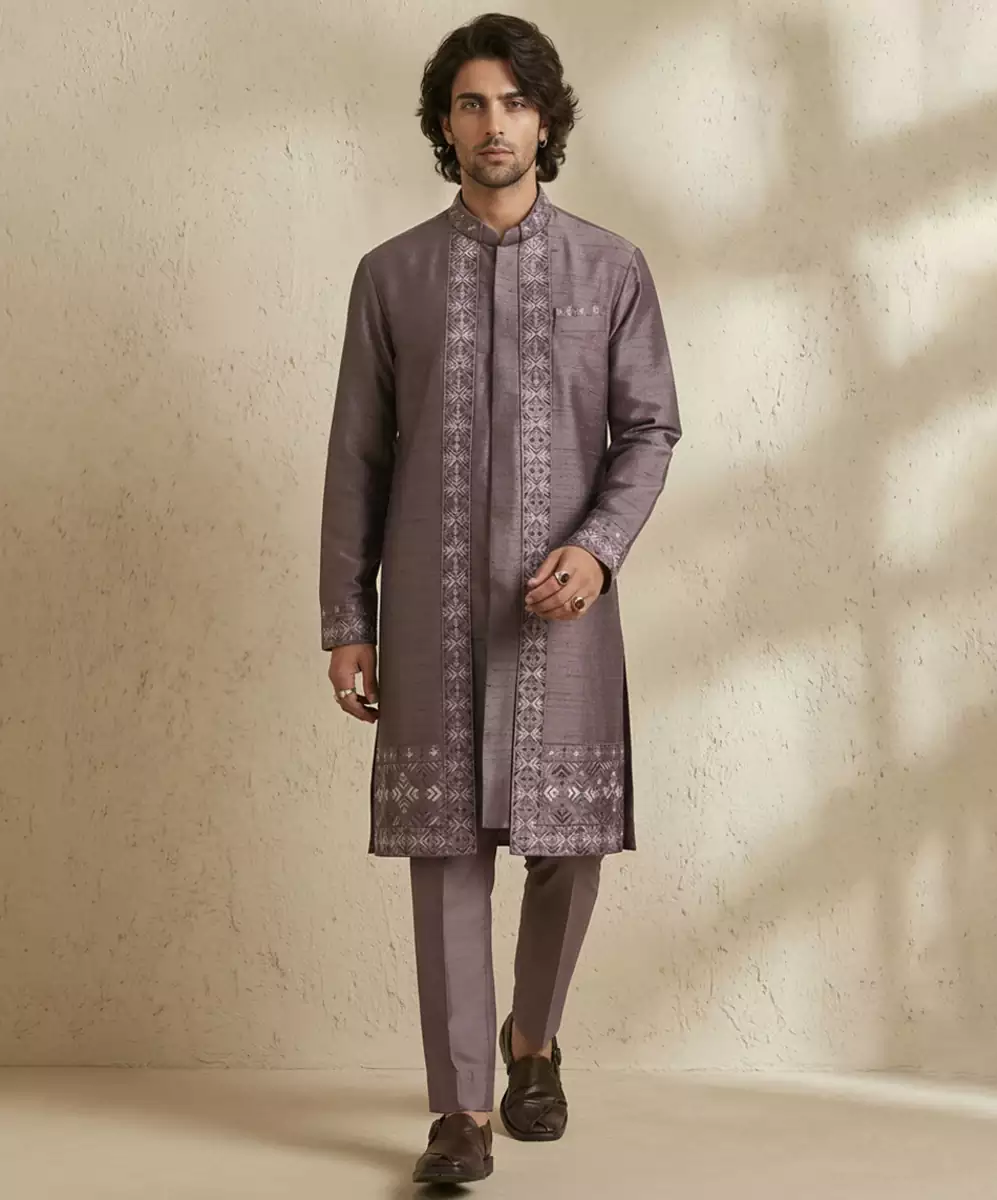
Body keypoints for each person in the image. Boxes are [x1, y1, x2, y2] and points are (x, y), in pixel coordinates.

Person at [319, 11, 681, 1187]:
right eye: (472, 103)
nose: (494, 124)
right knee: (447, 859)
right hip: (430, 614)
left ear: (544, 120)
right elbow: (356, 460)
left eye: (514, 103)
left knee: (568, 850)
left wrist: (599, 550)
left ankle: (535, 1045)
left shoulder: (611, 269)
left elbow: (649, 429)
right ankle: (461, 1112)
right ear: (444, 123)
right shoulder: (392, 276)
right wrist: (348, 622)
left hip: (561, 615)